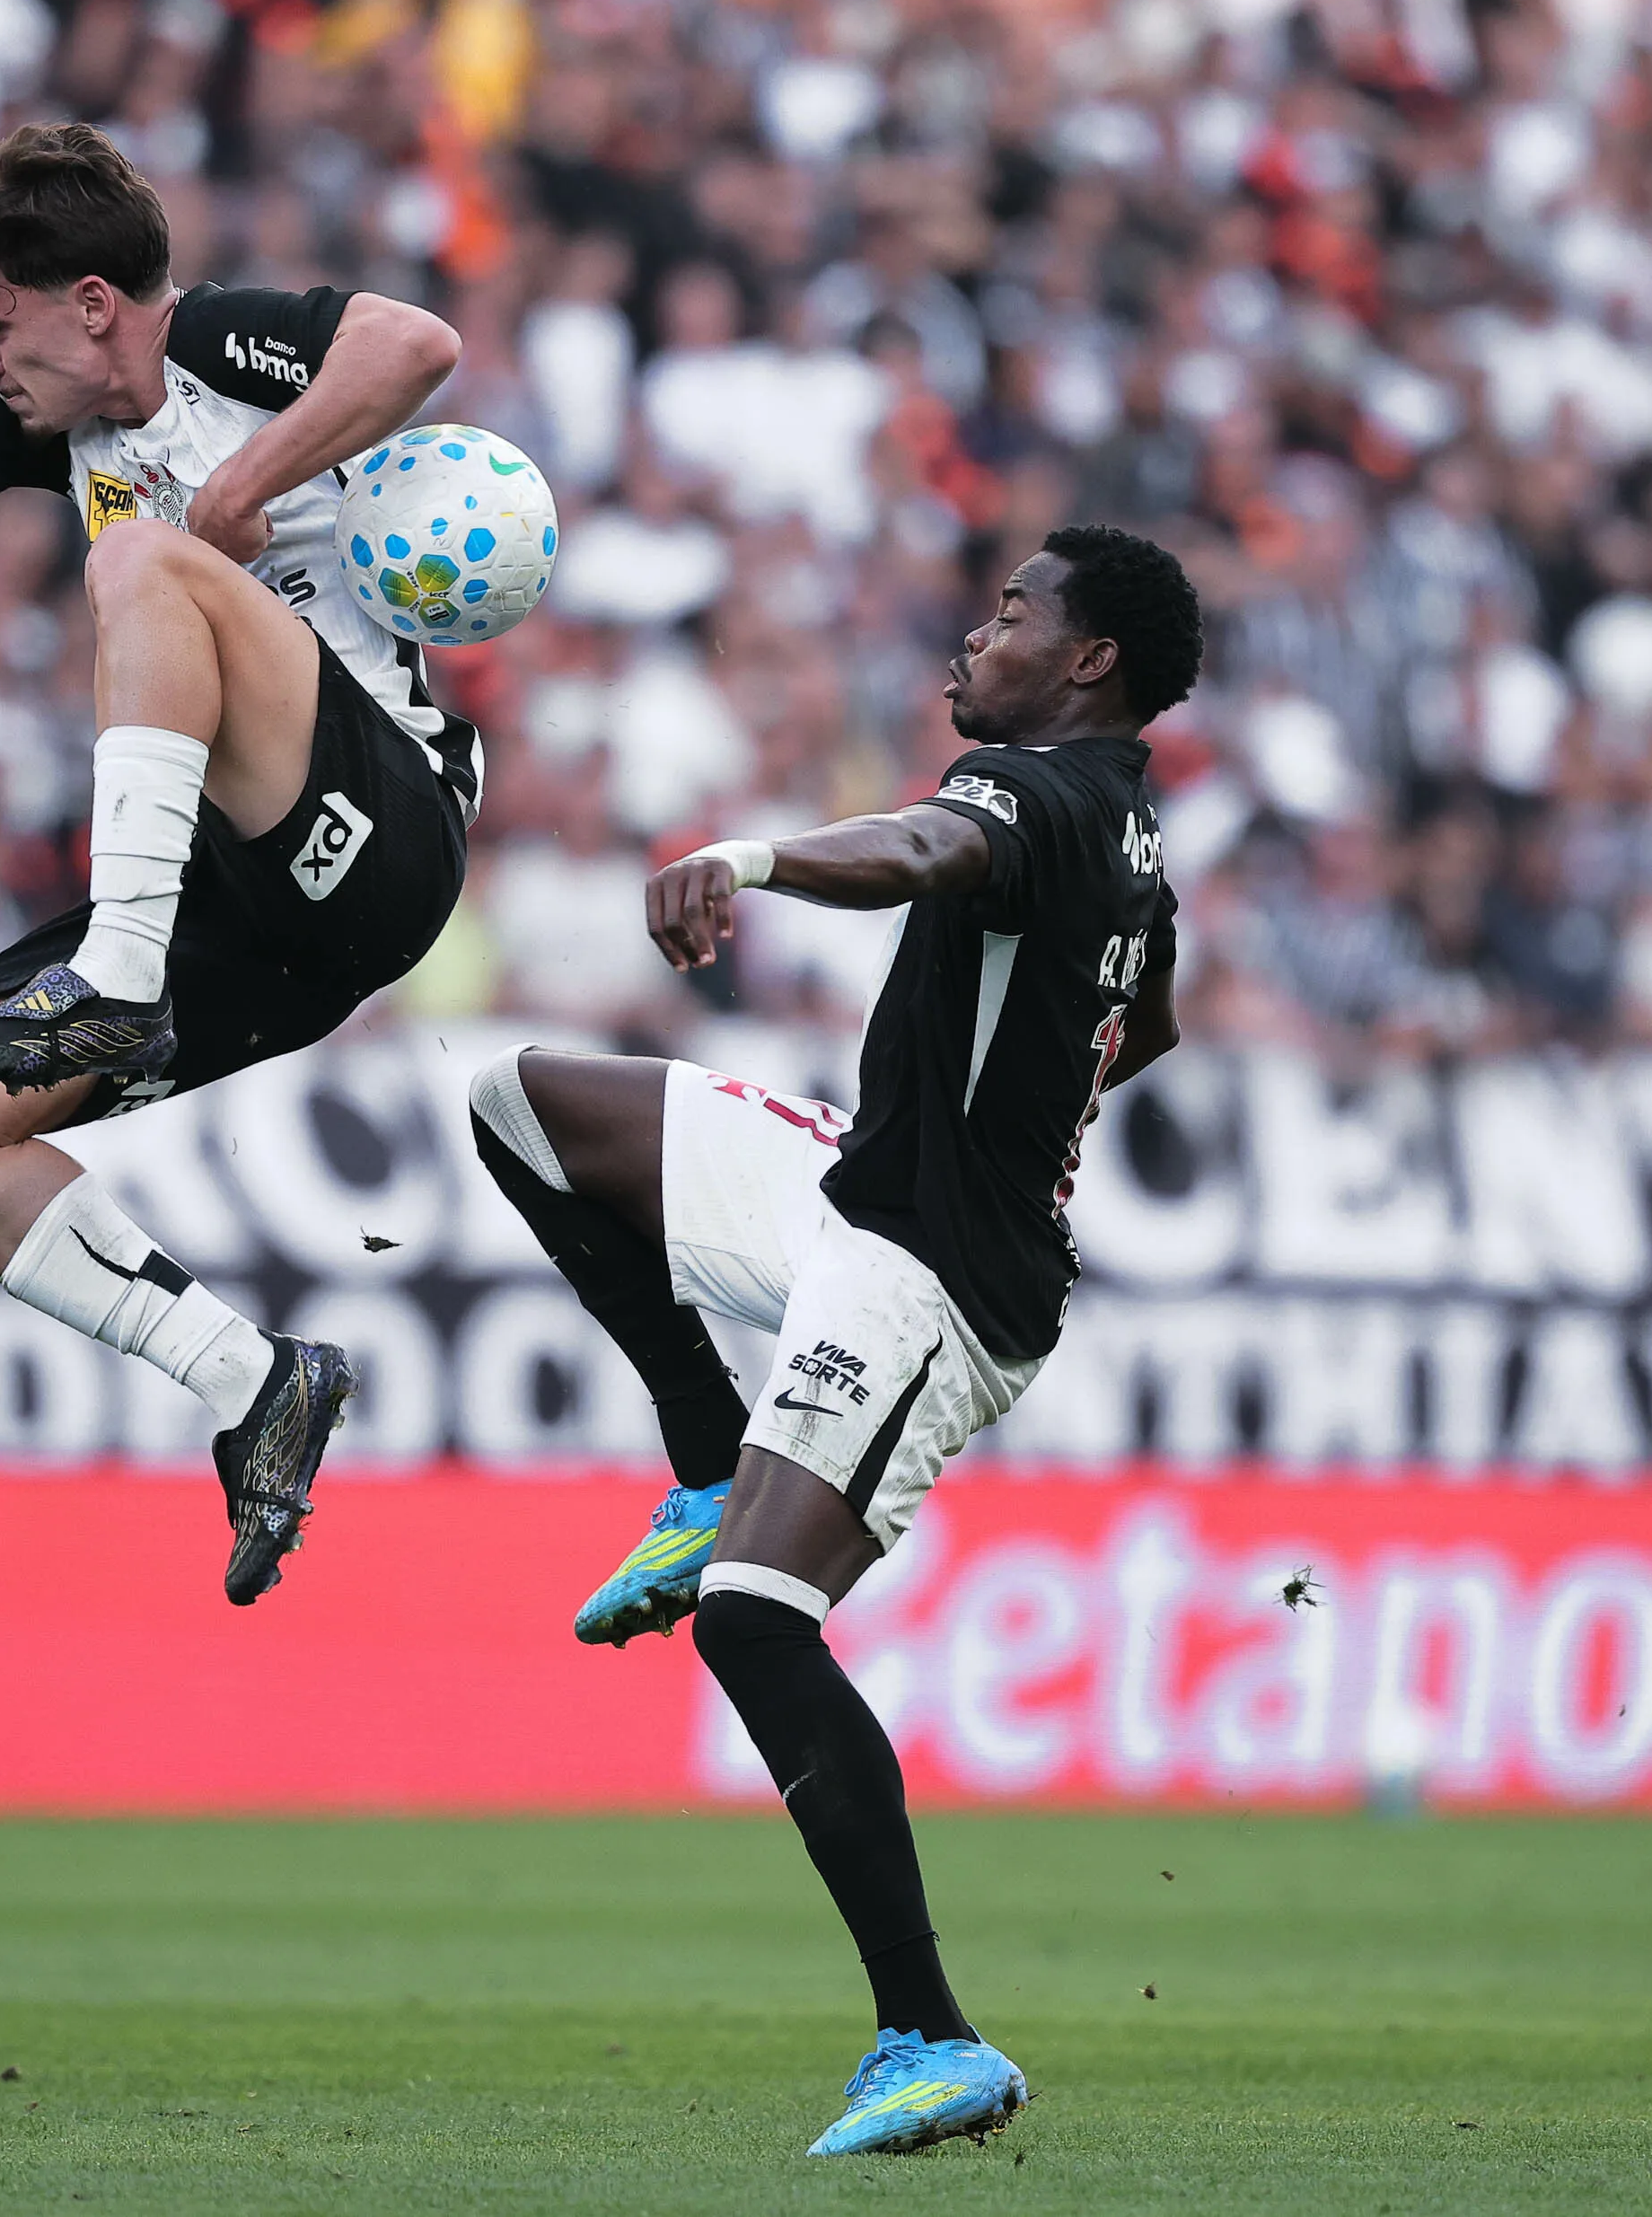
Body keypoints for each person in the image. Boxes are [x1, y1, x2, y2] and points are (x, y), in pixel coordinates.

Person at [466, 525, 1200, 2155]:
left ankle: (931, 2033)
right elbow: (1145, 1017)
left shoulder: (1045, 790)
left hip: (934, 1274)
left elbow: (930, 851)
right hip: (858, 1181)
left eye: (1015, 610)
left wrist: (757, 858)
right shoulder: (1131, 831)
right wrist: (1018, 1114)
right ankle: (701, 1467)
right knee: (522, 1101)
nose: (980, 629)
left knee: (754, 1616)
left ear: (1087, 660)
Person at [0, 101, 474, 1601]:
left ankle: (113, 975)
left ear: (97, 304)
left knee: (140, 552)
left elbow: (417, 344)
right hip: (249, 913)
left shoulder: (225, 342)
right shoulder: (58, 437)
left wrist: (237, 493)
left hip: (382, 829)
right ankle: (252, 1378)